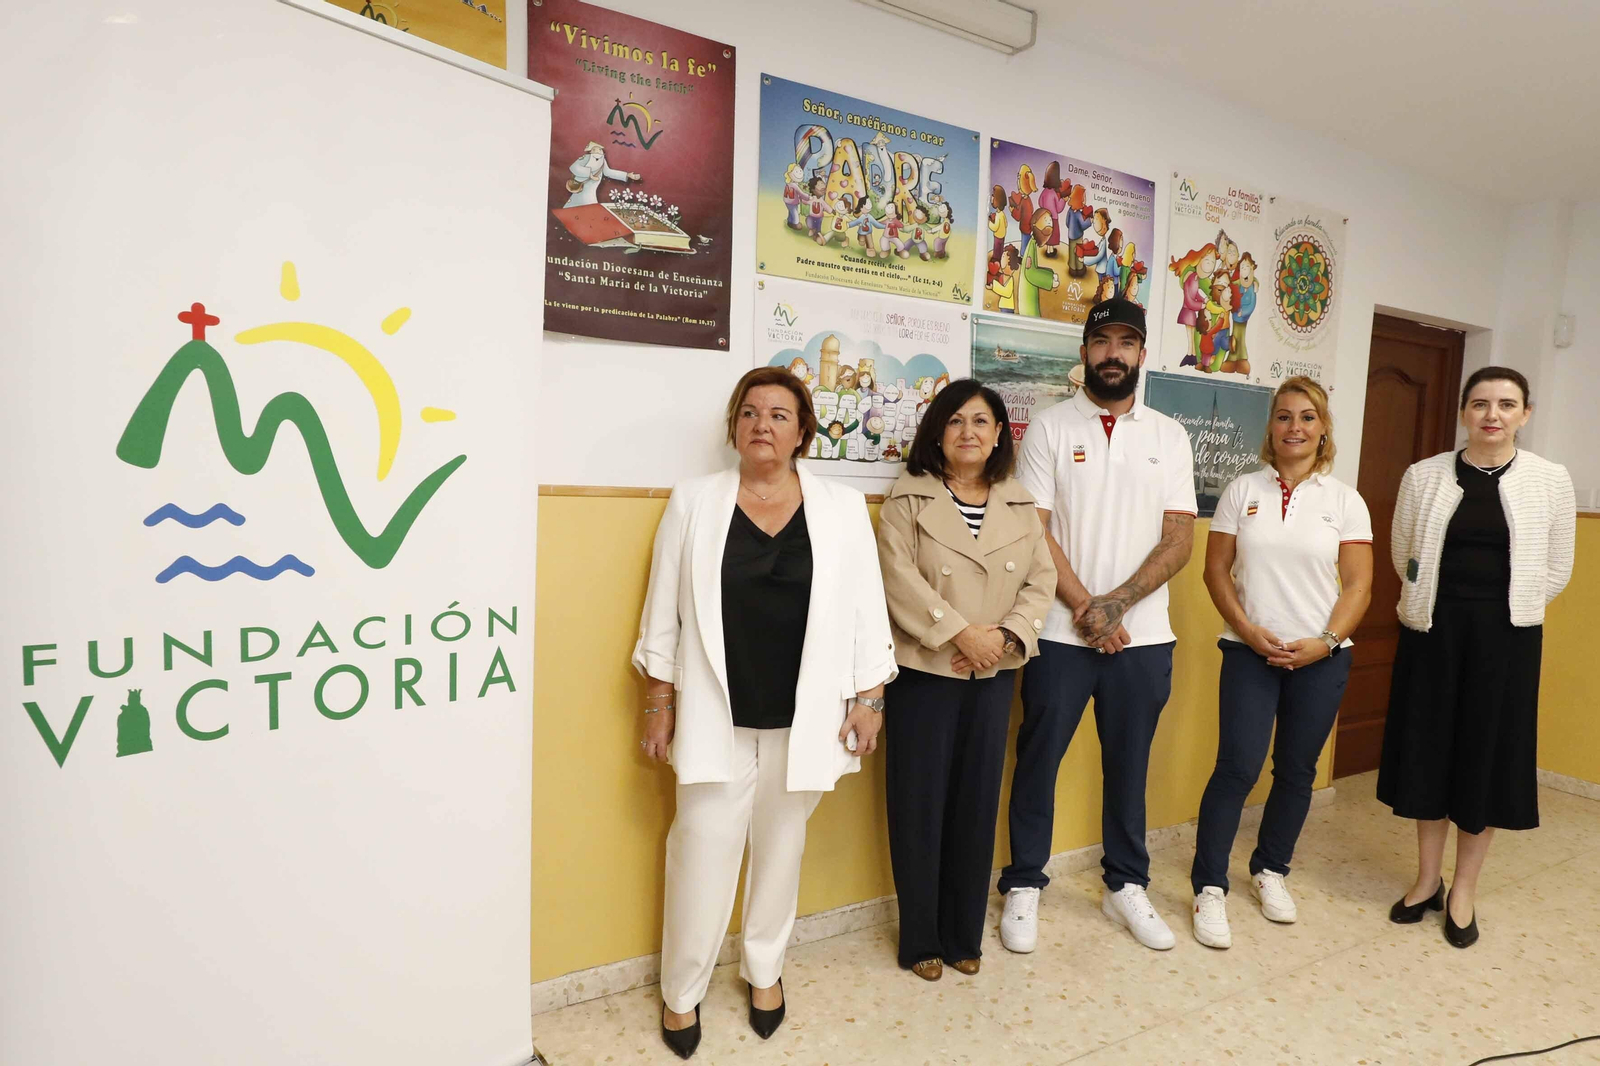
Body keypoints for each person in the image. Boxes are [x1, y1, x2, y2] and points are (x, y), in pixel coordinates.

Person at [633, 367, 898, 1058]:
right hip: (716, 712)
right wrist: (659, 700)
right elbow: (663, 609)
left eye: (780, 415)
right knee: (700, 848)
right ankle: (682, 991)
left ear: (803, 430)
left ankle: (765, 972)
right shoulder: (696, 501)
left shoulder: (840, 508)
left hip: (805, 715)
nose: (763, 425)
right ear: (733, 427)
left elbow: (869, 608)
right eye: (750, 413)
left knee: (783, 850)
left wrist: (869, 697)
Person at [1000, 297, 1198, 953]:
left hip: (1143, 640)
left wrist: (1115, 606)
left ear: (1142, 354)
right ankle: (1025, 881)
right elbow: (1034, 529)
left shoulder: (1169, 435)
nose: (1113, 353)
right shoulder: (1051, 428)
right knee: (1037, 762)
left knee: (1129, 764)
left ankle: (1126, 885)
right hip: (1058, 636)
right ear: (1084, 352)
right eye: (1102, 342)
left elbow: (1179, 539)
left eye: (1126, 343)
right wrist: (1088, 609)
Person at [1378, 366, 1575, 949]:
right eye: (1482, 403)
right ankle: (1425, 882)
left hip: (1507, 640)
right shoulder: (1424, 476)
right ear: (1464, 411)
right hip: (1433, 633)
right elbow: (1403, 553)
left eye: (1507, 404)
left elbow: (1557, 566)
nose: (1493, 414)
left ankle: (1463, 891)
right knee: (1430, 754)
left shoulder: (1550, 479)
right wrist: (1426, 602)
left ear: (1525, 414)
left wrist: (1509, 608)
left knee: (1483, 760)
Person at [876, 380, 1056, 982]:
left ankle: (962, 933)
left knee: (977, 805)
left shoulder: (1020, 502)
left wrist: (1002, 640)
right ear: (938, 432)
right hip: (928, 669)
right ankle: (920, 937)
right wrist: (960, 634)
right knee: (919, 805)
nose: (969, 432)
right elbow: (898, 579)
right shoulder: (908, 499)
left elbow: (1040, 582)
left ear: (1000, 433)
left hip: (992, 673)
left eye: (981, 422)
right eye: (955, 421)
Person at [1189, 377, 1374, 949]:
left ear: (1323, 429)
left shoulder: (1345, 500)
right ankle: (1209, 887)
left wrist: (1326, 641)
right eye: (1284, 417)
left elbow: (1359, 585)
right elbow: (1216, 571)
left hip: (1320, 659)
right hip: (1249, 653)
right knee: (1237, 768)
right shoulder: (1243, 489)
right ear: (1271, 427)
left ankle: (1271, 870)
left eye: (1307, 418)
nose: (1295, 427)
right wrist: (1246, 630)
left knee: (1296, 771)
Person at [563, 141, 640, 207]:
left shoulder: (602, 160)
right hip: (582, 185)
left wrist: (627, 175)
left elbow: (608, 172)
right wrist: (590, 174)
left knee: (587, 203)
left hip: (592, 188)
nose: (599, 151)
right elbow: (574, 167)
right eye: (597, 149)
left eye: (600, 149)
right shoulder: (586, 158)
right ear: (591, 150)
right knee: (583, 203)